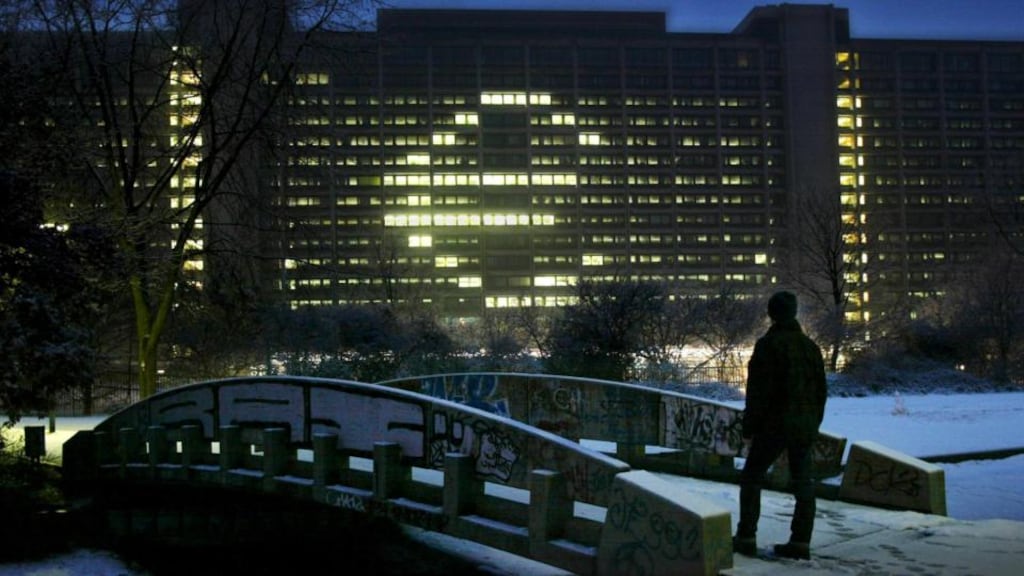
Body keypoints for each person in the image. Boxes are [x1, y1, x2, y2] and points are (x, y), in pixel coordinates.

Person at [733, 290, 828, 560]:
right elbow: (821, 392)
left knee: (752, 477)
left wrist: (750, 427)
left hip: (774, 425)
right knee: (804, 483)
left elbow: (758, 392)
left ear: (771, 314)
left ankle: (746, 536)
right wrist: (813, 422)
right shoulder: (810, 348)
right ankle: (800, 541)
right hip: (804, 425)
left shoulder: (768, 345)